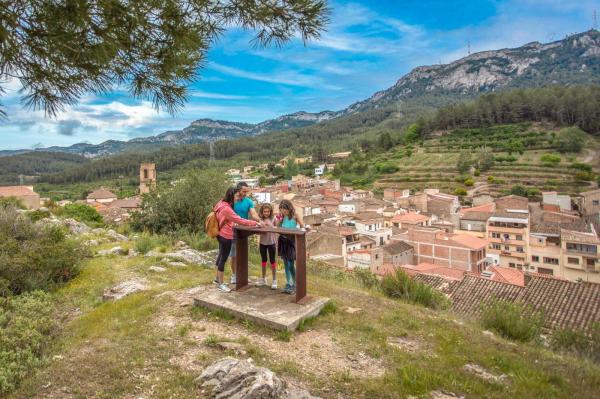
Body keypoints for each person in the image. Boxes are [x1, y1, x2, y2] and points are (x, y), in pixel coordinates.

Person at [213, 187, 260, 292]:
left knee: (220, 256)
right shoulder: (227, 209)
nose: (238, 198)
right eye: (237, 196)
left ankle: (217, 279)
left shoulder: (221, 203)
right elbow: (240, 220)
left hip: (220, 233)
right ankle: (220, 284)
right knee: (223, 259)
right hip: (226, 235)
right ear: (232, 196)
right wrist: (255, 223)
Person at [230, 182, 260, 285]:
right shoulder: (232, 201)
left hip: (244, 231)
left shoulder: (249, 202)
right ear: (238, 190)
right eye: (244, 191)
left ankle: (243, 276)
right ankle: (234, 275)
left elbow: (253, 214)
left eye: (247, 191)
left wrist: (260, 221)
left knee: (243, 254)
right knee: (233, 255)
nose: (246, 193)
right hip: (232, 230)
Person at [275, 199, 307, 294]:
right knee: (285, 263)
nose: (283, 211)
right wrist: (279, 219)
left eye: (285, 209)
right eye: (281, 209)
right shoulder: (282, 217)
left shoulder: (295, 216)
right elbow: (277, 227)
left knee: (290, 264)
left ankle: (295, 284)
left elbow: (302, 226)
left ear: (289, 208)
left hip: (291, 242)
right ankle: (288, 283)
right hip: (283, 240)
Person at [256, 203, 278, 289]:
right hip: (263, 243)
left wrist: (271, 228)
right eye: (264, 211)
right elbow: (257, 231)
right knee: (263, 261)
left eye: (268, 211)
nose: (266, 213)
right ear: (262, 211)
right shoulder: (260, 220)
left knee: (272, 261)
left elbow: (277, 228)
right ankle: (263, 278)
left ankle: (274, 280)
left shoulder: (274, 219)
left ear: (270, 211)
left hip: (271, 243)